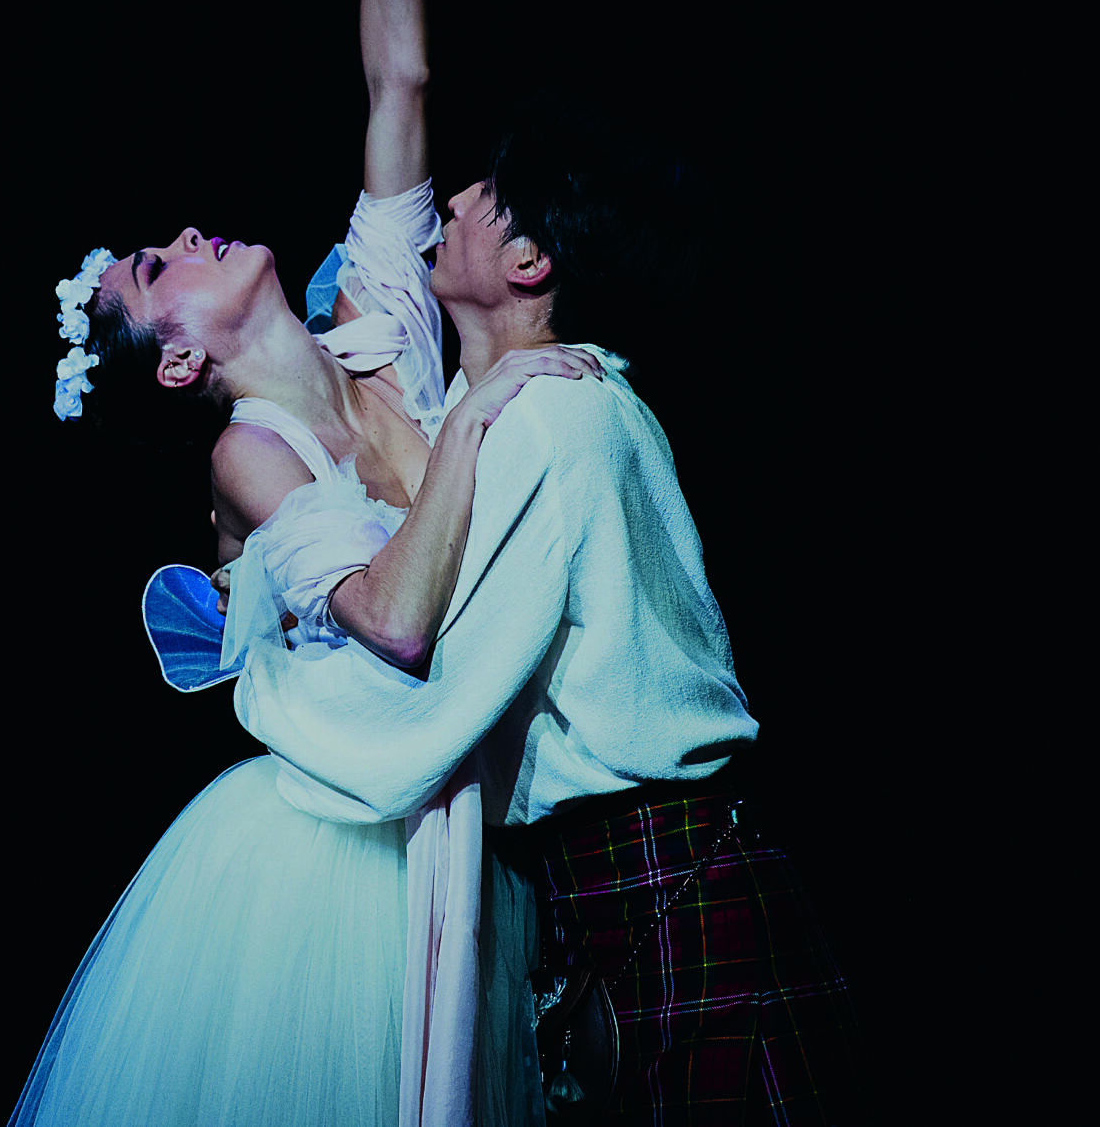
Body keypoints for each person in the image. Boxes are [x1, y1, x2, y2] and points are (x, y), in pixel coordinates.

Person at [17, 0, 582, 1127]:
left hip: (452, 841)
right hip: (324, 872)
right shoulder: (254, 455)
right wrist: (488, 402)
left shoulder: (380, 319)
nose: (188, 234)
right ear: (183, 360)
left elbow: (398, 73)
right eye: (160, 267)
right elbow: (393, 620)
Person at [229, 96, 867, 1120]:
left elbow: (428, 672)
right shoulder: (571, 399)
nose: (461, 198)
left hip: (662, 869)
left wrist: (278, 697)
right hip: (644, 876)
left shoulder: (547, 418)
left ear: (530, 260)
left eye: (488, 192)